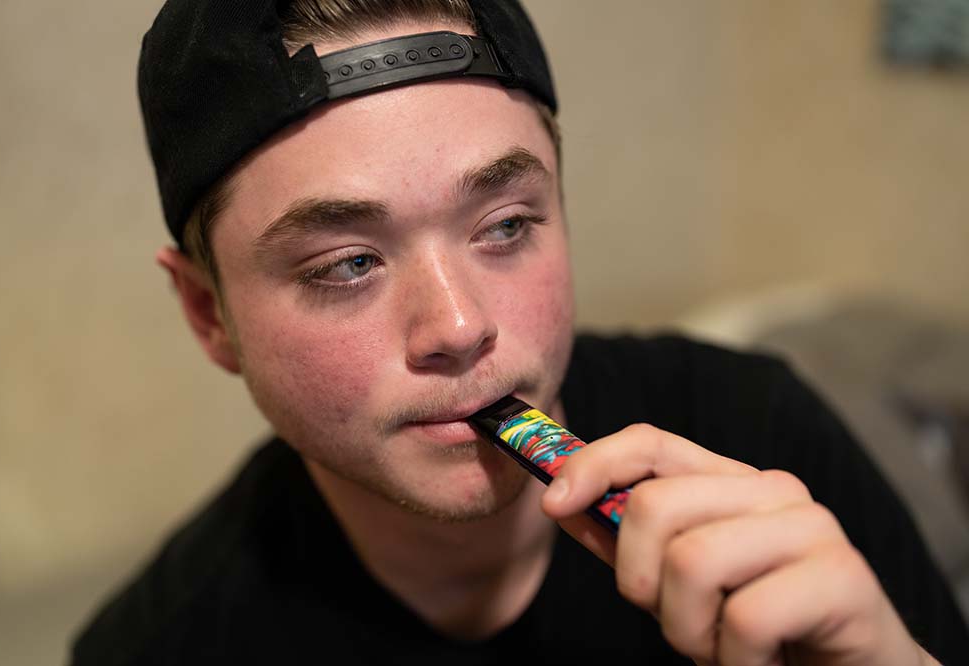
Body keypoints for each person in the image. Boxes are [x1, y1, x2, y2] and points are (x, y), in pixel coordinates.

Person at [71, 1, 968, 664]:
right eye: (347, 263)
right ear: (209, 315)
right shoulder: (156, 647)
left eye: (505, 225)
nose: (460, 326)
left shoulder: (763, 431)